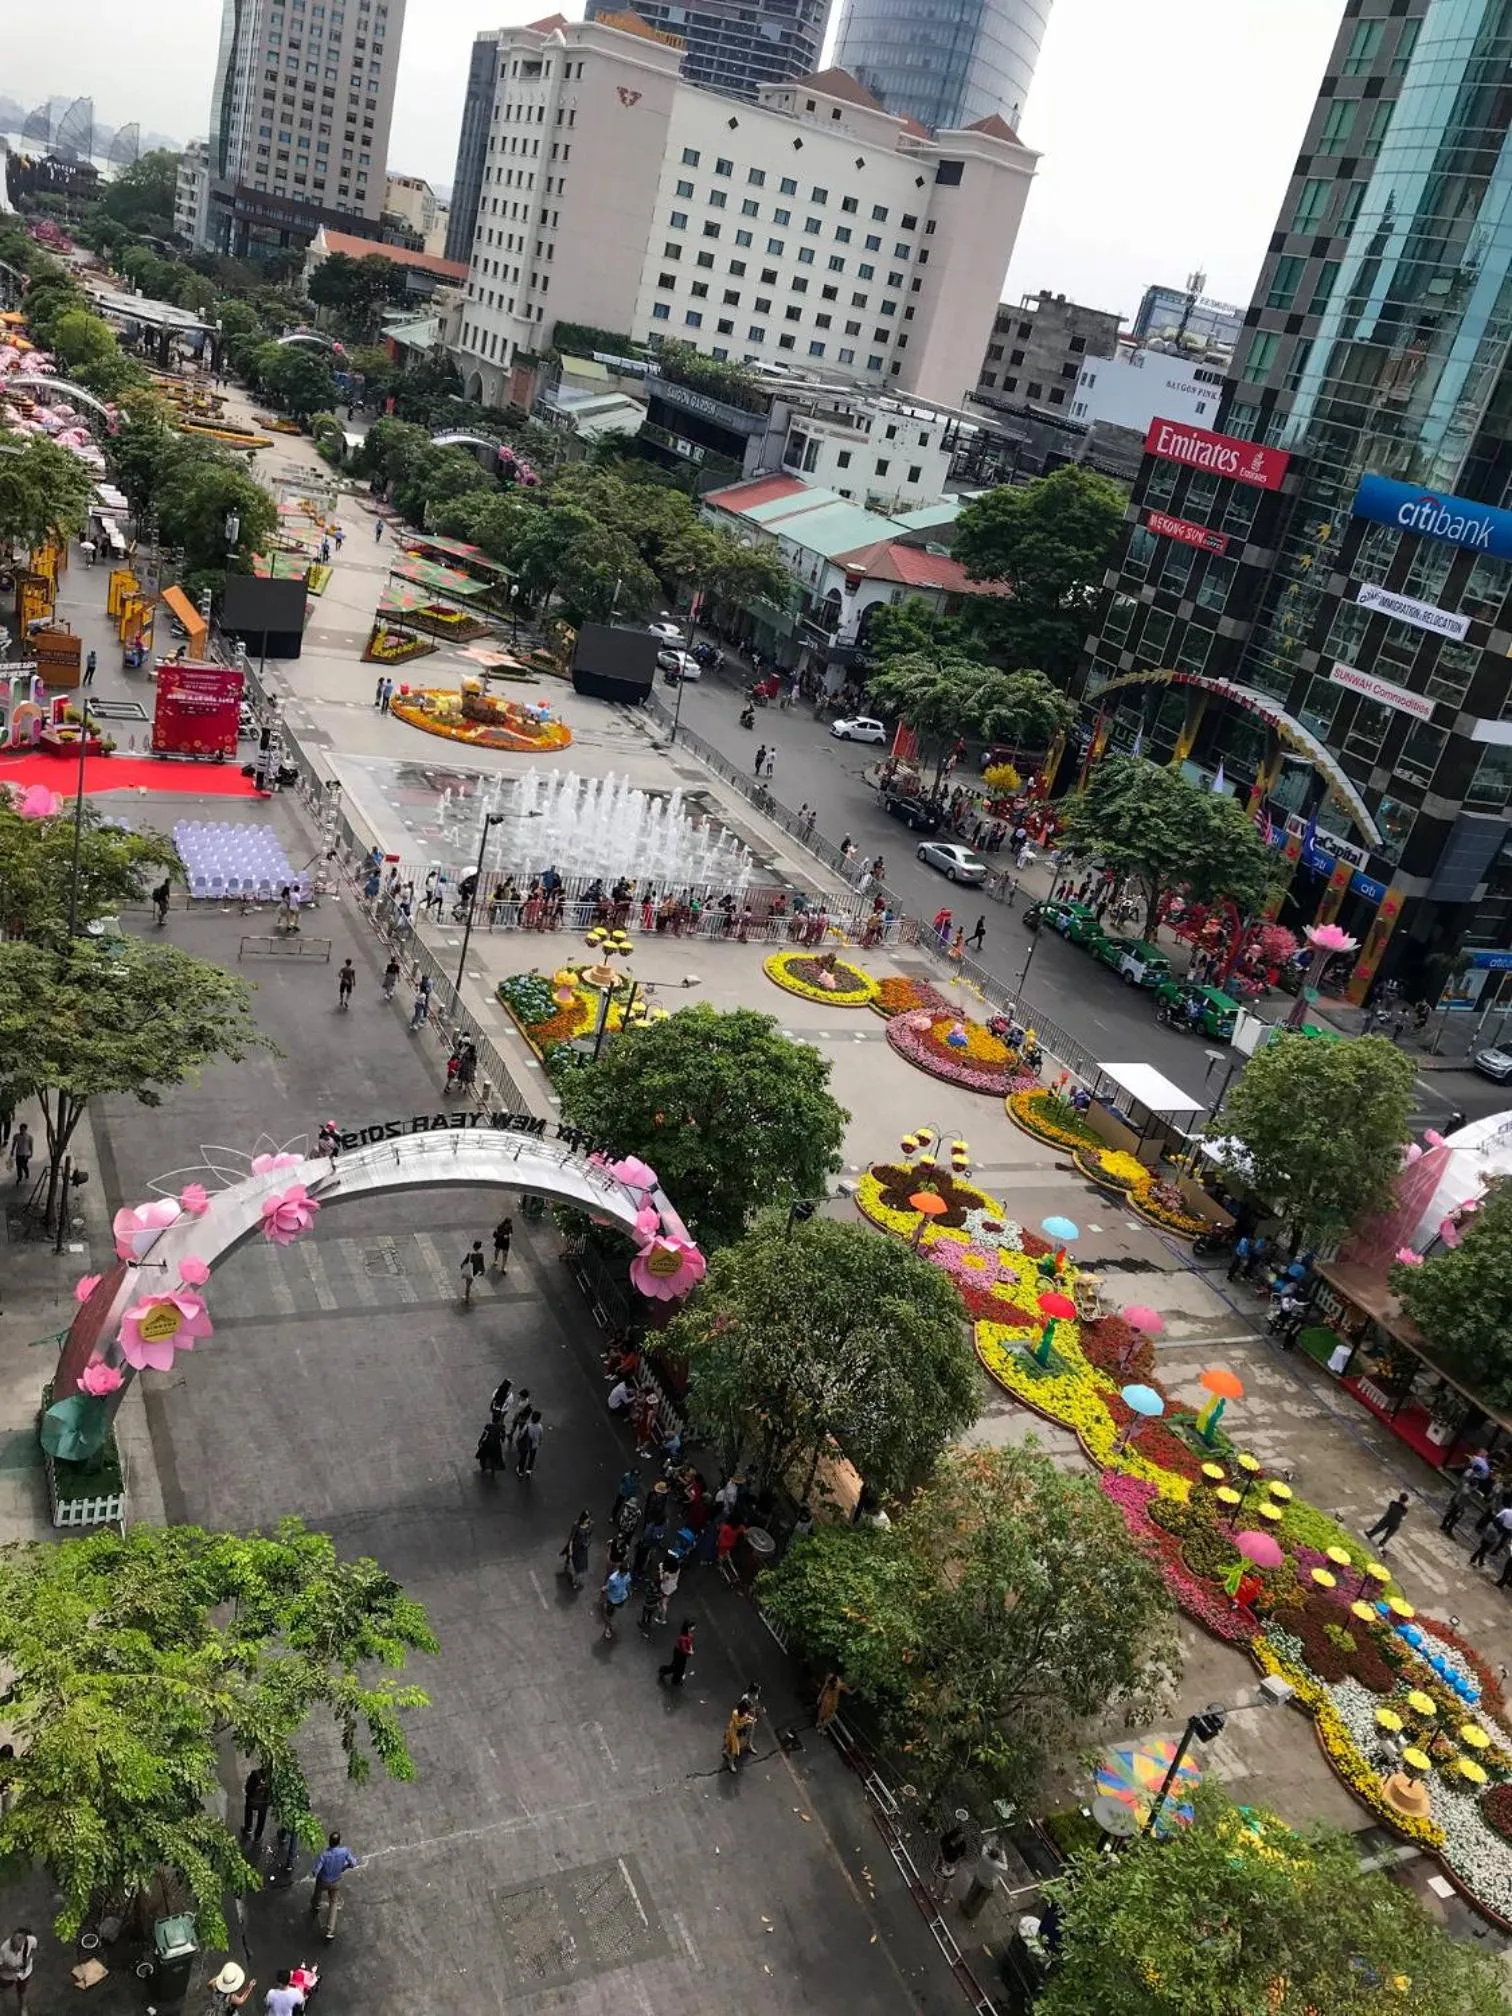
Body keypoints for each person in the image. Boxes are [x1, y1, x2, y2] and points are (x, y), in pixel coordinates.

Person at [310, 1831, 358, 1938]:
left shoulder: (324, 1855)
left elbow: (315, 1871)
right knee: (333, 1903)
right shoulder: (344, 1851)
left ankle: (315, 1905)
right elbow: (353, 1863)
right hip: (335, 1881)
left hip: (322, 1881)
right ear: (339, 1842)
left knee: (317, 1893)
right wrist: (345, 1866)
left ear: (329, 1842)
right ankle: (329, 1930)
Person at [722, 1696, 759, 1773]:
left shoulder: (744, 1713)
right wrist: (746, 1722)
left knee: (731, 1744)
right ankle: (731, 1763)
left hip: (738, 1732)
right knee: (735, 1748)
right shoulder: (735, 1713)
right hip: (734, 1731)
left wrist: (750, 1719)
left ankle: (726, 1752)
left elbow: (746, 1716)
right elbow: (737, 1726)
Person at [1471, 1501, 1512, 1568]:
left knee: (1485, 1546)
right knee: (1486, 1547)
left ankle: (1479, 1560)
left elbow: (1496, 1518)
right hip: (1496, 1531)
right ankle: (1474, 1559)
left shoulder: (1506, 1511)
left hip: (1493, 1528)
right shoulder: (1507, 1512)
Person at [659, 1619, 695, 1688]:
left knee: (680, 1667)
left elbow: (689, 1644)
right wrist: (690, 1652)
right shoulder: (682, 1638)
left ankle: (676, 1679)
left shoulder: (688, 1635)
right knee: (675, 1666)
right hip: (679, 1653)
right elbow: (683, 1649)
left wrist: (690, 1649)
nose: (694, 1628)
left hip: (682, 1653)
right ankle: (663, 1671)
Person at [561, 1511, 593, 1589]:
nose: (589, 1519)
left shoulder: (590, 1525)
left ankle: (576, 1580)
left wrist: (587, 1543)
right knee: (574, 1561)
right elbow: (571, 1538)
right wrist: (570, 1548)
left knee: (580, 1567)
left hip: (583, 1549)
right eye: (587, 1518)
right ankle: (568, 1562)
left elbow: (589, 1535)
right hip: (576, 1547)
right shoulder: (576, 1525)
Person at [601, 1563, 631, 1639]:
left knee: (614, 1611)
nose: (627, 1574)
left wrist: (629, 1592)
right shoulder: (613, 1579)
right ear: (621, 1572)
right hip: (612, 1599)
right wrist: (605, 1589)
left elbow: (627, 1583)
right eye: (625, 1572)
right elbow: (609, 1587)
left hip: (622, 1597)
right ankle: (607, 1628)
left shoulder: (627, 1575)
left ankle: (611, 1618)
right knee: (609, 1615)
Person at [242, 1764, 271, 1842]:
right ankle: (258, 1835)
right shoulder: (272, 1778)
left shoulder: (255, 1774)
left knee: (248, 1810)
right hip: (264, 1803)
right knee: (262, 1817)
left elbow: (248, 1788)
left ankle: (248, 1828)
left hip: (252, 1801)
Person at [516, 1409, 542, 1477]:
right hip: (534, 1445)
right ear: (539, 1419)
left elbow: (522, 1434)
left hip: (526, 1445)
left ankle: (520, 1471)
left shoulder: (528, 1426)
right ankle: (529, 1470)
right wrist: (539, 1442)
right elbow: (541, 1435)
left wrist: (518, 1440)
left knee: (523, 1457)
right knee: (531, 1458)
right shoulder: (540, 1427)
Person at [460, 1239, 486, 1305]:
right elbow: (482, 1264)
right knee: (468, 1283)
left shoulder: (470, 1254)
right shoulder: (481, 1255)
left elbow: (464, 1262)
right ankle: (466, 1295)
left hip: (469, 1270)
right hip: (475, 1271)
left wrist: (462, 1267)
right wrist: (483, 1271)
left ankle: (467, 1298)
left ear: (473, 1246)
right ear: (479, 1247)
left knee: (468, 1285)